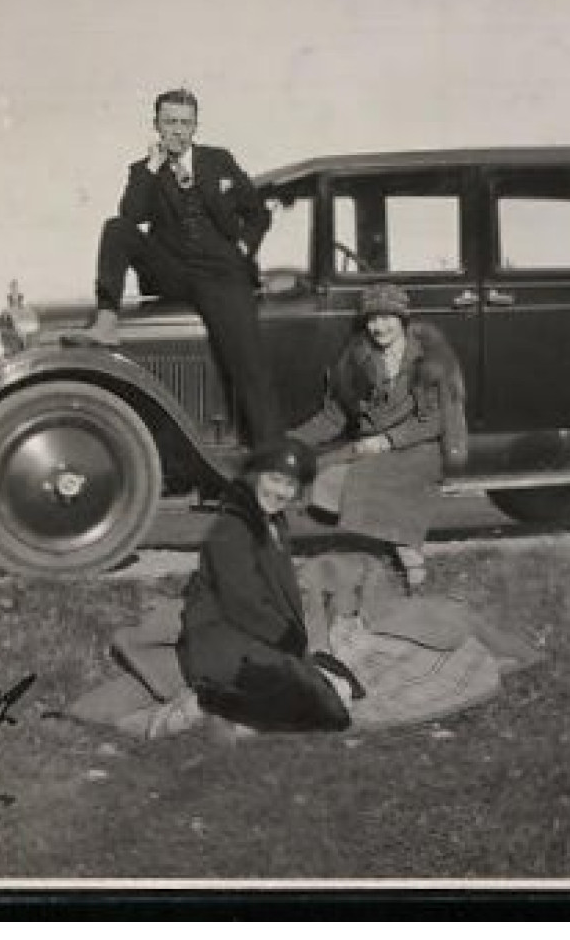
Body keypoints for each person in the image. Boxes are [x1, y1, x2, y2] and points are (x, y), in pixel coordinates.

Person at [66, 87, 280, 445]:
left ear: (195, 126)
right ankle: (106, 320)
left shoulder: (218, 160)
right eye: (169, 123)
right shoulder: (144, 170)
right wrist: (151, 168)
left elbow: (257, 211)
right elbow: (131, 215)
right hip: (173, 271)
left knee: (248, 363)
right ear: (156, 126)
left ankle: (272, 459)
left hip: (222, 274)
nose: (177, 131)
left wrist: (243, 247)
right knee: (115, 229)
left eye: (184, 123)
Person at [289, 283, 467, 592]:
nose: (379, 327)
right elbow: (335, 416)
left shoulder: (427, 360)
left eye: (387, 318)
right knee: (321, 477)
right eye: (372, 319)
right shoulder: (357, 360)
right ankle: (383, 554)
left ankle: (414, 571)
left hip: (419, 448)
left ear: (402, 320)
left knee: (375, 481)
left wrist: (387, 441)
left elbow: (434, 421)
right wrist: (292, 440)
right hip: (372, 445)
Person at [173, 438, 354, 734]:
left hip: (255, 636)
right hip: (221, 638)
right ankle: (211, 705)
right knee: (327, 711)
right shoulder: (232, 527)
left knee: (340, 690)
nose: (279, 492)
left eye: (289, 485)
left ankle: (239, 712)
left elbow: (276, 592)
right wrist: (288, 638)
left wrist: (296, 641)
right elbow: (241, 603)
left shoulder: (273, 522)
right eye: (273, 479)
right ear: (254, 475)